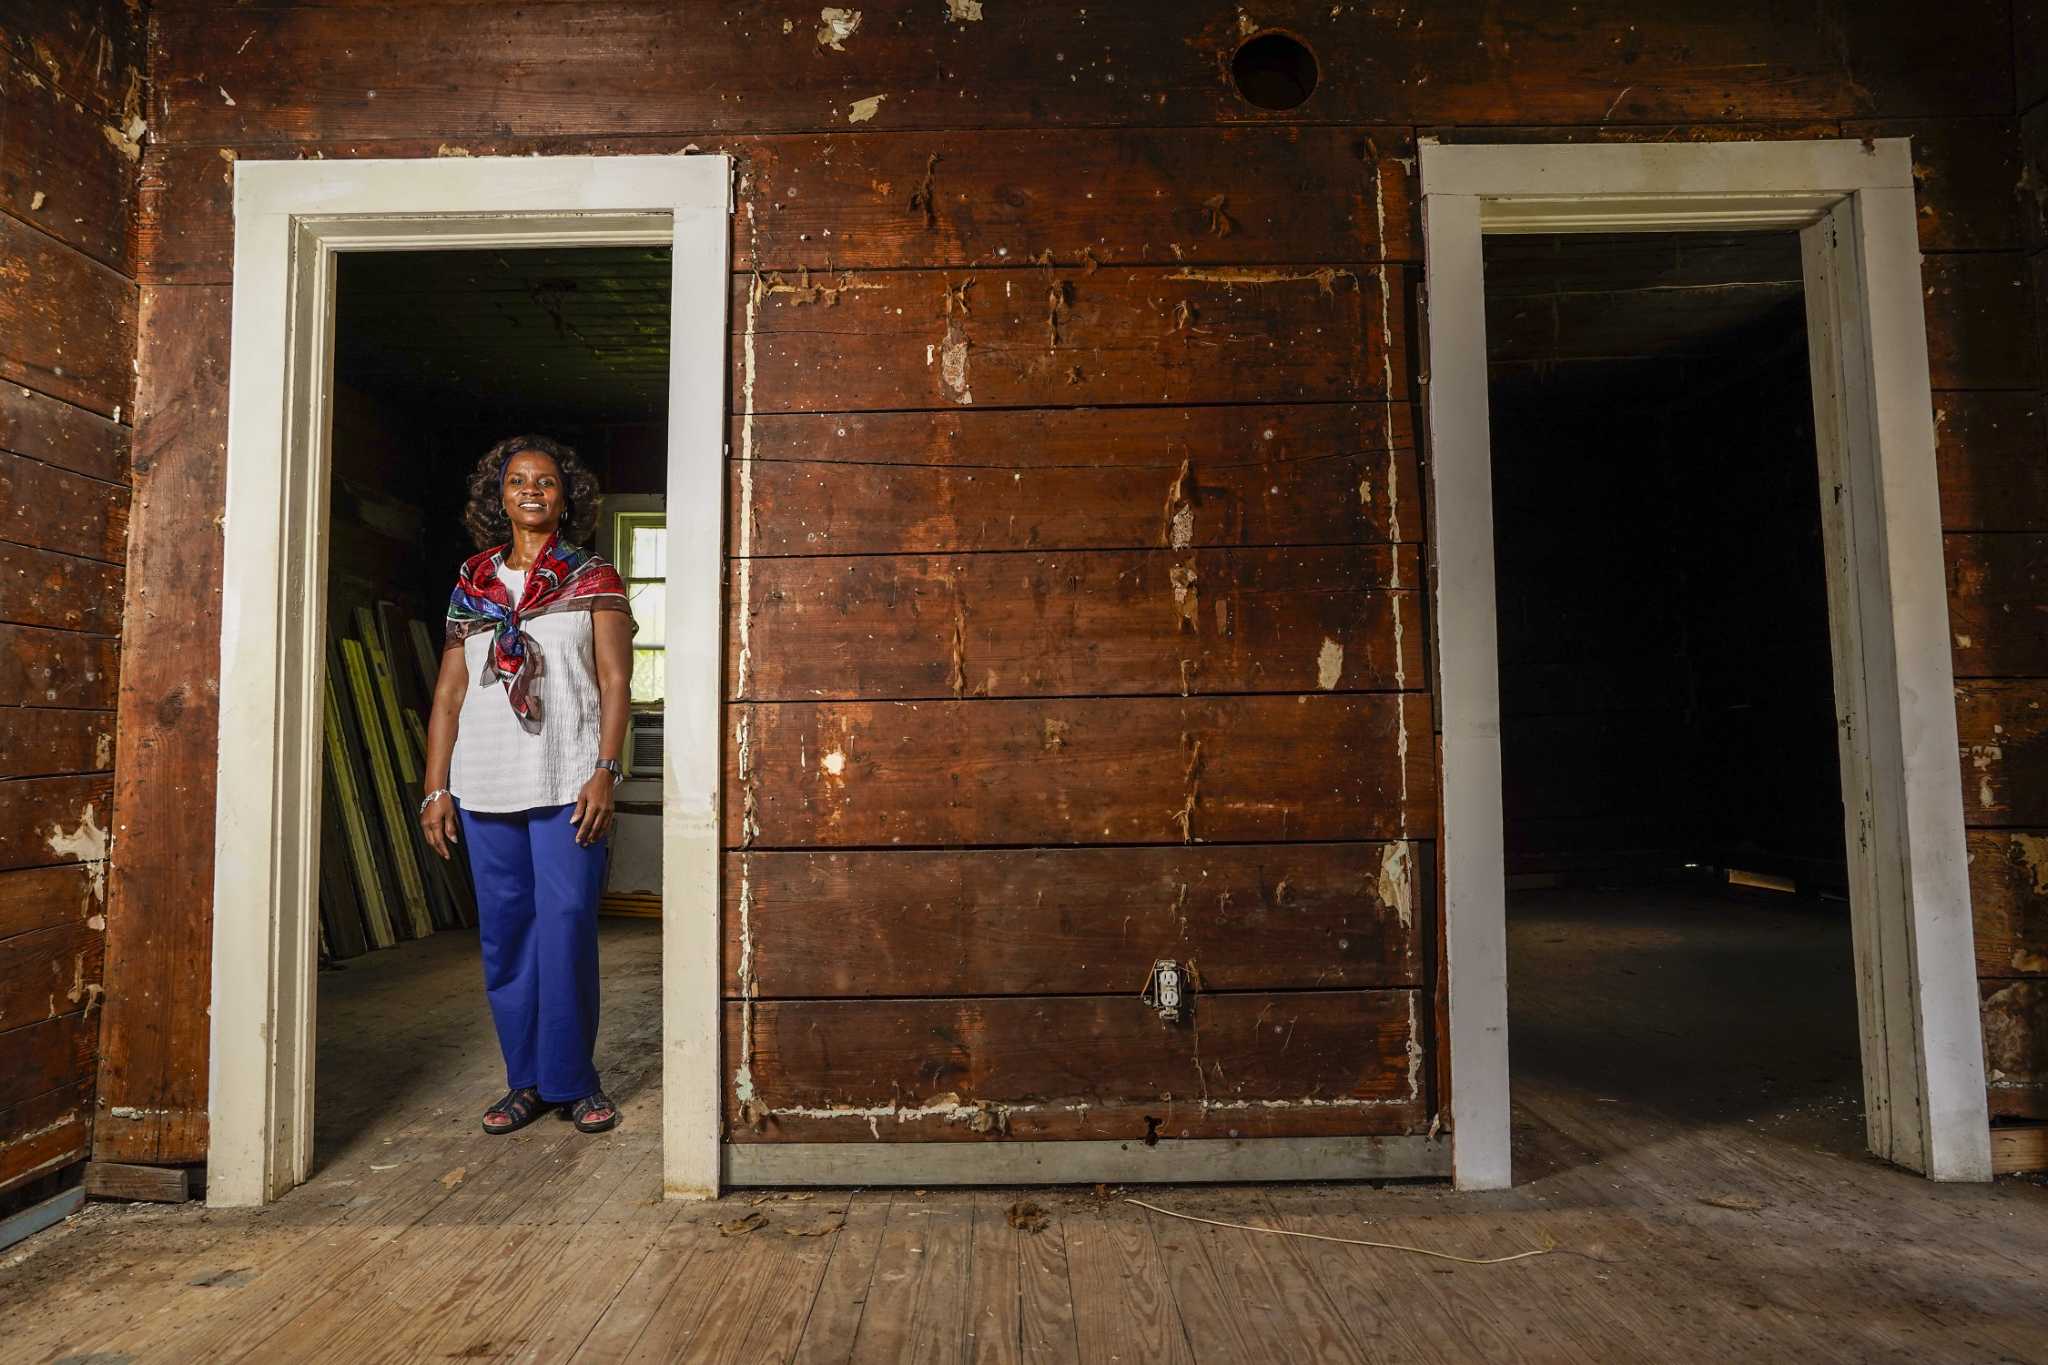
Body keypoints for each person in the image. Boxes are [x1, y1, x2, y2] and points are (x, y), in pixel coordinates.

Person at [418, 434, 636, 1136]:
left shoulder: (591, 577)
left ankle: (574, 1080)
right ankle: (527, 1082)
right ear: (499, 496)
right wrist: (435, 787)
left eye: (546, 481)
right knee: (507, 938)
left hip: (568, 781)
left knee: (567, 927)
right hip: (483, 785)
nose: (533, 490)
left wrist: (604, 771)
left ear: (564, 495)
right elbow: (449, 695)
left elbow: (614, 680)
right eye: (518, 481)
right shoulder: (471, 584)